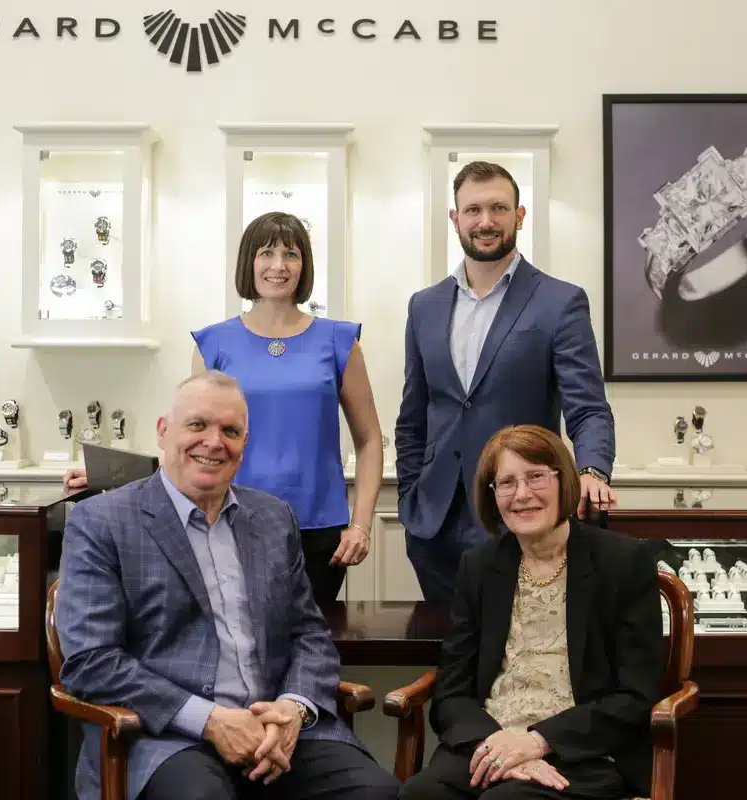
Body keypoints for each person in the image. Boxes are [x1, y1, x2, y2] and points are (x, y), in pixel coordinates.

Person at [56, 371, 401, 800]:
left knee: (379, 794)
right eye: (198, 425)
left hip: (277, 726)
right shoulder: (102, 522)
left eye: (230, 431)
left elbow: (309, 634)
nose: (214, 442)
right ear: (164, 431)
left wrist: (293, 708)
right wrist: (210, 720)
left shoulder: (273, 518)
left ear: (244, 444)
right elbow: (92, 661)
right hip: (166, 735)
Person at [64, 211, 383, 604]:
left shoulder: (339, 342)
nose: (278, 266)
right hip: (226, 523)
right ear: (249, 262)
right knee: (234, 647)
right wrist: (109, 479)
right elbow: (191, 440)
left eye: (291, 254)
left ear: (305, 265)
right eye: (266, 253)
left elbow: (368, 441)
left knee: (304, 649)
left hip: (318, 532)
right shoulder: (213, 344)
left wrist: (362, 525)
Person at [398, 425, 662, 800]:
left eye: (536, 477)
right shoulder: (479, 567)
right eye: (506, 483)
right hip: (489, 743)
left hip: (582, 751)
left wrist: (538, 742)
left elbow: (636, 695)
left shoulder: (623, 562)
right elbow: (451, 692)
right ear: (493, 497)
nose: (521, 495)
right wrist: (499, 746)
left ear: (564, 481)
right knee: (419, 796)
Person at [395, 160, 618, 604]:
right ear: (455, 219)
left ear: (519, 215)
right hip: (434, 525)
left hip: (520, 512)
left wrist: (593, 469)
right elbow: (413, 416)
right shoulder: (425, 306)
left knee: (517, 656)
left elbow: (588, 407)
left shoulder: (560, 302)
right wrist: (409, 494)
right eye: (473, 210)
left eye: (499, 208)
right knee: (450, 659)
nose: (485, 221)